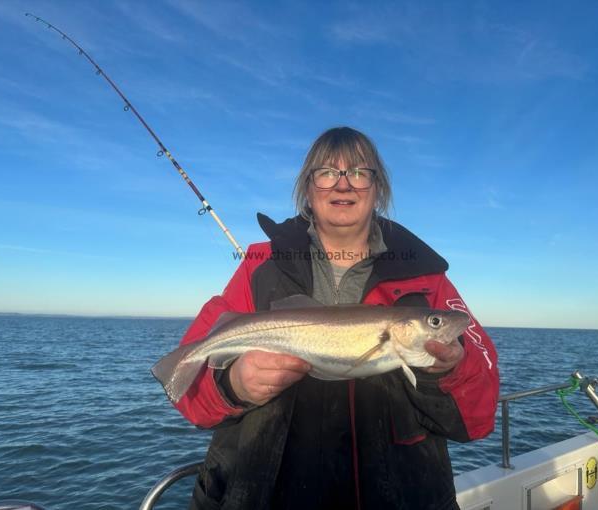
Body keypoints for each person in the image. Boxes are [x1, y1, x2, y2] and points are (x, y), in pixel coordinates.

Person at [172, 127, 499, 510]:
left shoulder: (427, 280)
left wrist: (446, 372)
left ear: (378, 189)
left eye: (360, 173)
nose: (343, 185)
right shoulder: (258, 267)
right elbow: (186, 385)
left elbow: (479, 415)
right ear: (308, 188)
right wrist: (233, 385)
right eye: (327, 172)